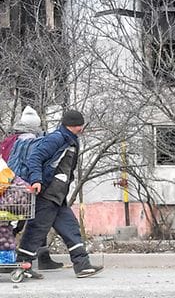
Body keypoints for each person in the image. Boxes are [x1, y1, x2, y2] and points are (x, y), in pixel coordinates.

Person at [17, 109, 103, 278]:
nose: (82, 128)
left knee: (70, 228)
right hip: (48, 193)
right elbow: (35, 158)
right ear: (74, 125)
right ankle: (22, 265)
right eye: (80, 125)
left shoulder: (70, 139)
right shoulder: (57, 138)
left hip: (58, 195)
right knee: (37, 230)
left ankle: (82, 265)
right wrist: (36, 180)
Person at [0, 106, 63, 271]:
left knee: (24, 219)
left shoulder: (10, 140)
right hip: (23, 185)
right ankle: (7, 257)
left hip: (8, 183)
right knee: (21, 221)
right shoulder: (30, 141)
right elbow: (32, 162)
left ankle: (15, 256)